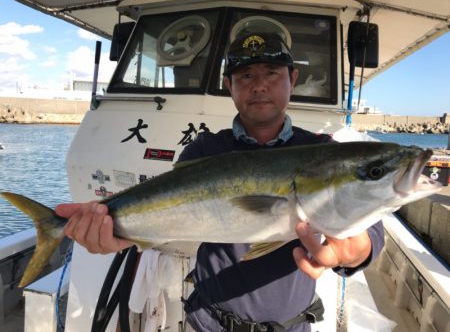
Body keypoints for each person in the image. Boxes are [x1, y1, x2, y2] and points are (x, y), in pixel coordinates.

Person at [57, 33, 384, 332]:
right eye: (245, 76)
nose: (259, 85)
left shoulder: (322, 151)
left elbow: (368, 230)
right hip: (209, 322)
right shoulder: (204, 150)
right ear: (229, 85)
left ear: (292, 78)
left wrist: (356, 251)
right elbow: (171, 217)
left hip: (292, 326)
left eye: (271, 72)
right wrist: (118, 232)